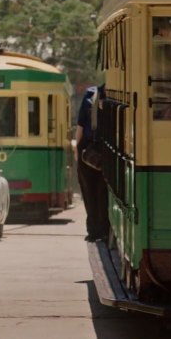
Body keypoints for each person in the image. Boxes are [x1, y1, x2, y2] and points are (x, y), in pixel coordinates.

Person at [75, 85, 108, 242]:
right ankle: (94, 231)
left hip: (108, 150)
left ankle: (104, 230)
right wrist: (77, 149)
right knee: (88, 192)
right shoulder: (91, 93)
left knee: (103, 192)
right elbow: (81, 124)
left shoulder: (117, 94)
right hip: (88, 148)